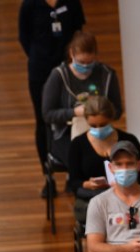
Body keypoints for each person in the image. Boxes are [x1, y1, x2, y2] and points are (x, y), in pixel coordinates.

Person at [18, 0, 85, 194]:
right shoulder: (30, 4)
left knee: (72, 118)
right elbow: (24, 37)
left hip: (67, 70)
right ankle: (48, 177)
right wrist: (39, 57)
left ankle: (71, 173)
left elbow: (78, 31)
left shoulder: (71, 2)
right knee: (43, 121)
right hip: (40, 71)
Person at [42, 29, 124, 171]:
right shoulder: (58, 76)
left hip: (101, 130)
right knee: (84, 160)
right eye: (81, 62)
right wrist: (74, 112)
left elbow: (117, 111)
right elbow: (48, 114)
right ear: (71, 54)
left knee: (118, 157)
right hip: (66, 133)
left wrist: (102, 111)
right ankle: (81, 187)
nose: (85, 66)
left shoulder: (107, 74)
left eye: (90, 62)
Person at [68, 95, 140, 225]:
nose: (98, 129)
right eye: (93, 125)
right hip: (92, 199)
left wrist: (123, 183)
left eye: (103, 124)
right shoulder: (77, 145)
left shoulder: (129, 141)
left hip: (127, 197)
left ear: (111, 119)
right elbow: (74, 182)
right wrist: (88, 184)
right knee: (107, 222)